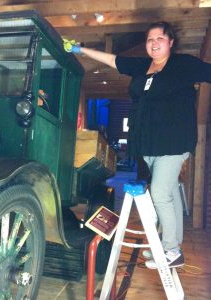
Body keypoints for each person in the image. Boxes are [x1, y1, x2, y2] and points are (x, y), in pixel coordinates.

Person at [64, 21, 211, 269]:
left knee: (160, 194)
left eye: (160, 39)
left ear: (170, 42)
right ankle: (168, 245)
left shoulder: (183, 65)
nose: (154, 43)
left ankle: (172, 250)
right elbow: (113, 60)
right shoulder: (143, 66)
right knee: (171, 193)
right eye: (150, 39)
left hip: (174, 141)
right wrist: (81, 50)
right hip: (150, 144)